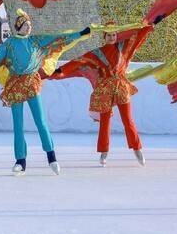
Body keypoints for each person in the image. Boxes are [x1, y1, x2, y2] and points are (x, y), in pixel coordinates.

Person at [0, 8, 89, 175]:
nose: (29, 27)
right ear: (19, 26)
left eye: (30, 25)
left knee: (41, 121)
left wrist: (79, 34)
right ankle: (20, 161)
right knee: (18, 124)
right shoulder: (9, 44)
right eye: (26, 25)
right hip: (16, 84)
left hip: (31, 83)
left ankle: (51, 156)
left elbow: (58, 39)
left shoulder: (36, 41)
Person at [57, 17, 162, 166]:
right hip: (105, 89)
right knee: (105, 121)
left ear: (116, 35)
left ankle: (137, 148)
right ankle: (104, 152)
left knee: (128, 120)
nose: (112, 37)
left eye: (114, 35)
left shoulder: (123, 47)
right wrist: (62, 69)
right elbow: (80, 60)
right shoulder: (98, 53)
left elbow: (138, 36)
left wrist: (152, 24)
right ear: (104, 36)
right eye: (109, 35)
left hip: (121, 87)